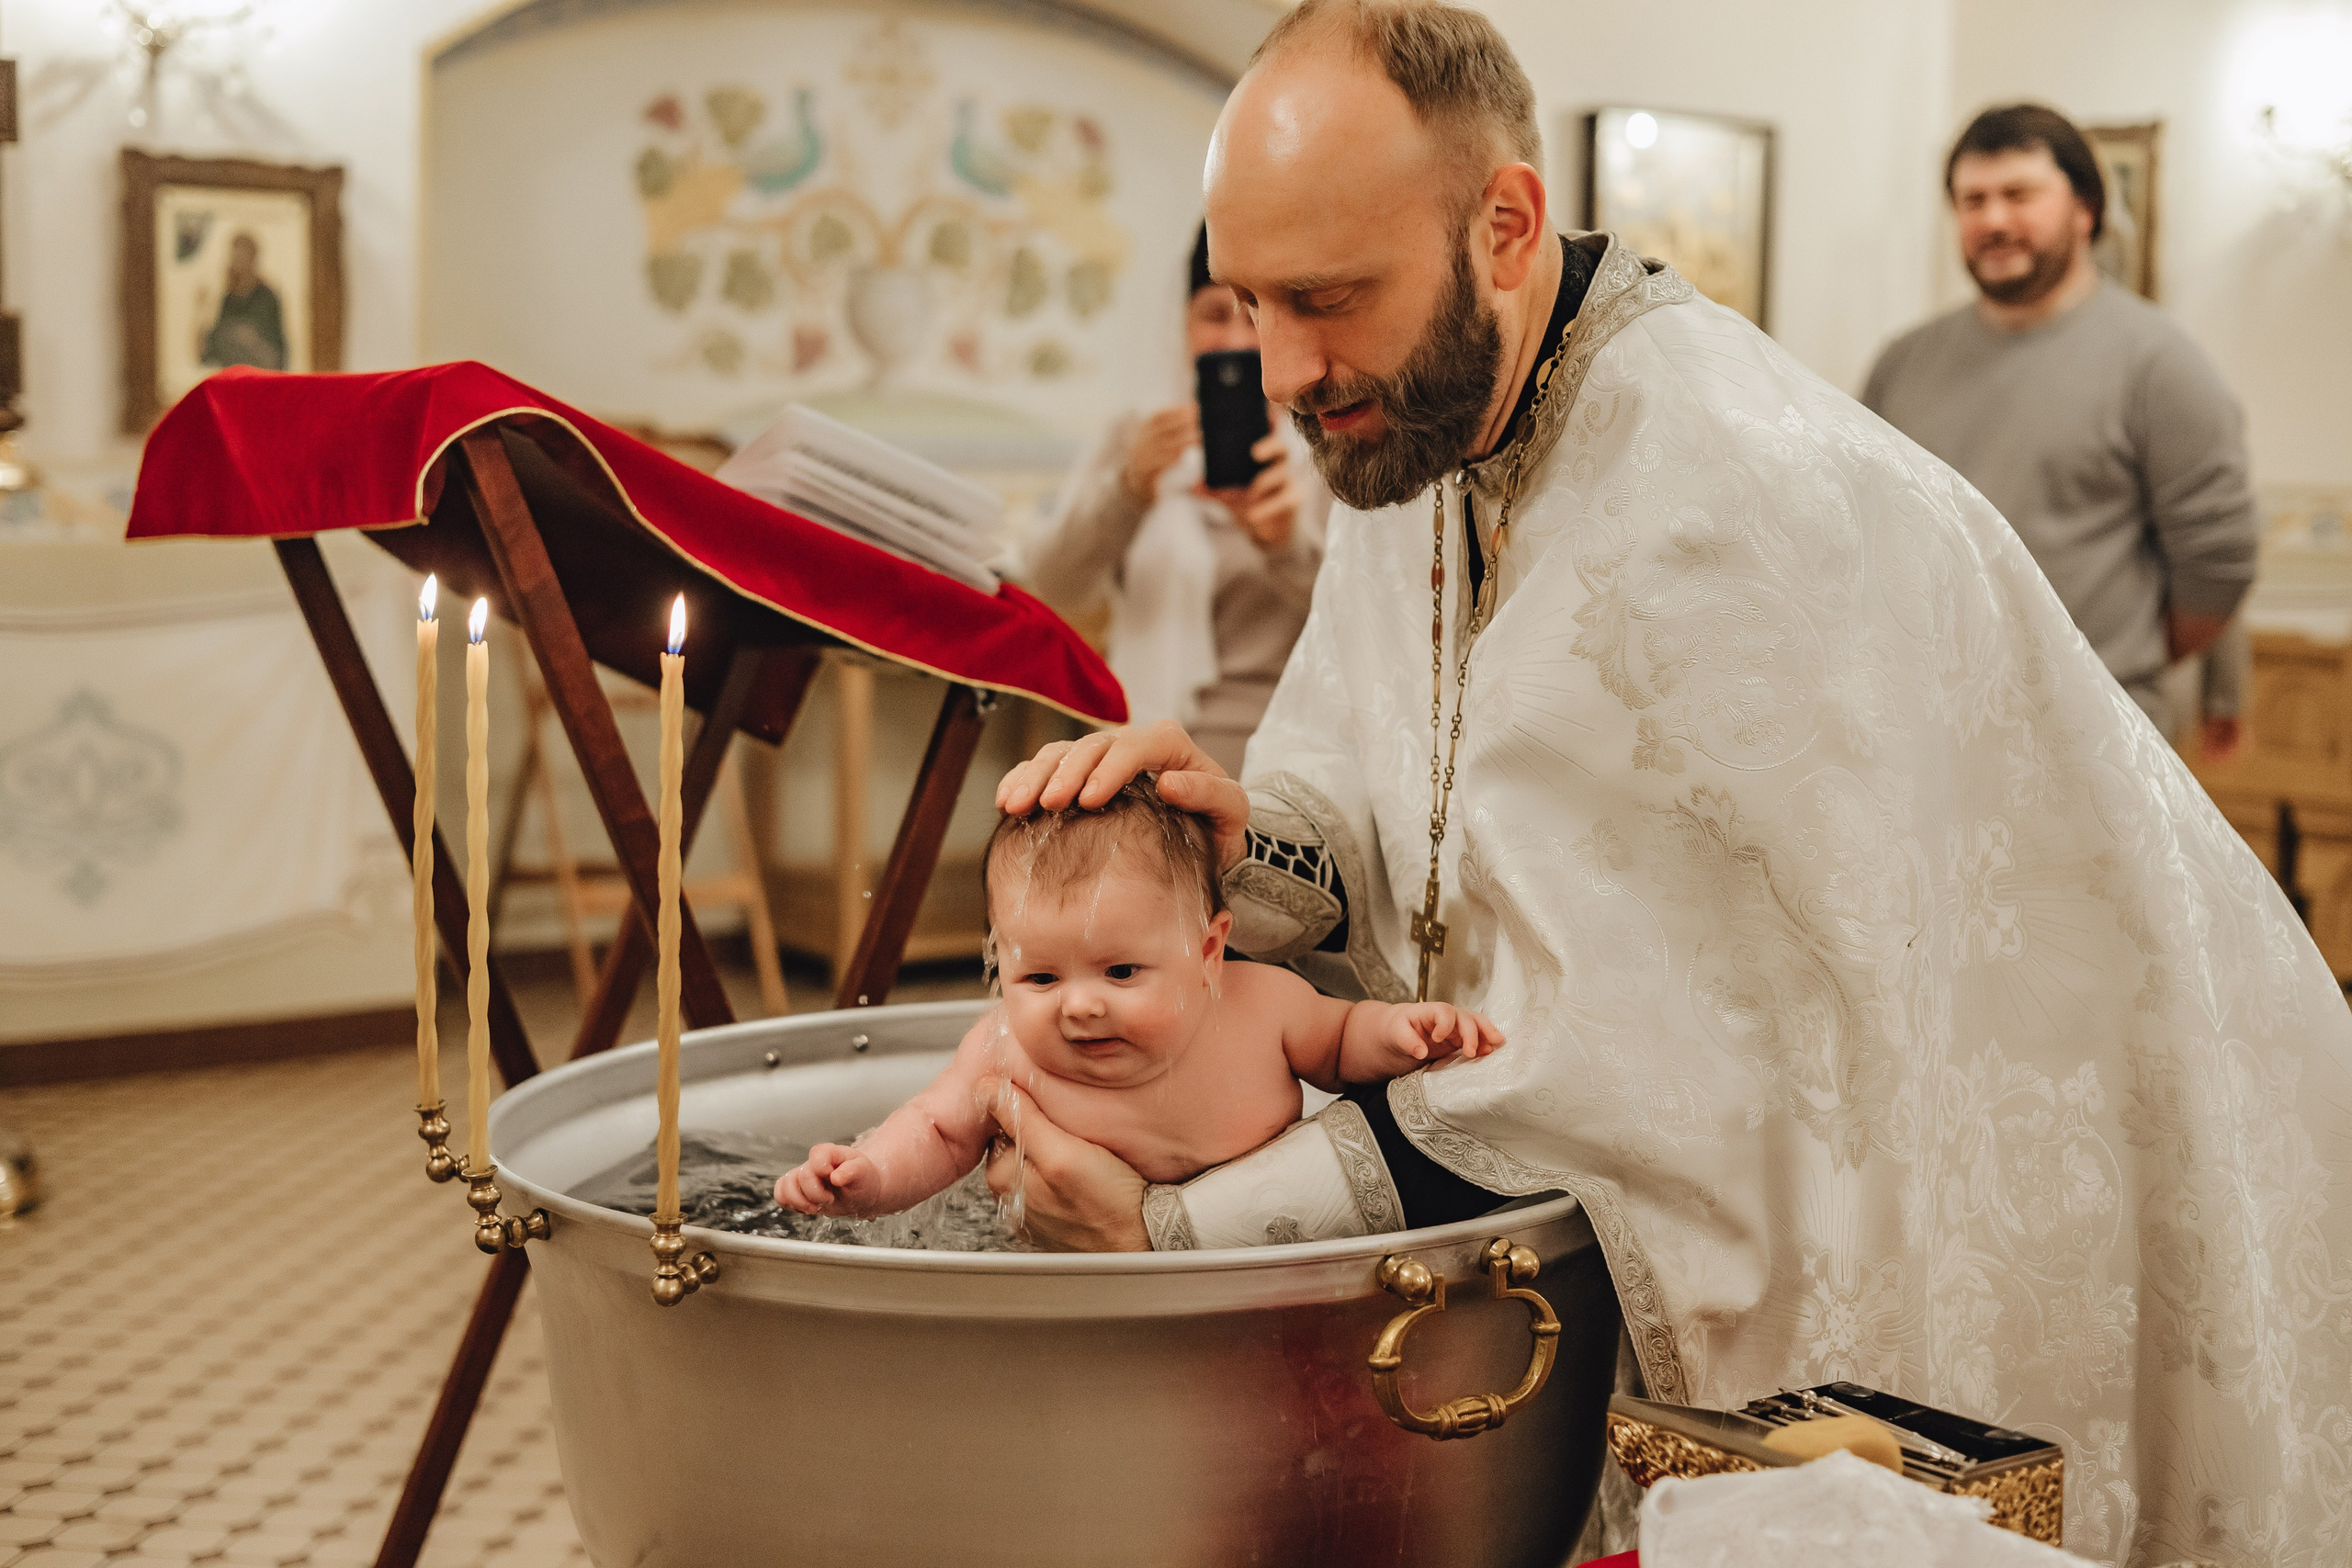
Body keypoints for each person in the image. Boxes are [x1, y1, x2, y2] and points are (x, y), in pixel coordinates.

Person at [980, 4, 2352, 1563]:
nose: (1285, 368)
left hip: (1966, 1196)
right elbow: (1399, 819)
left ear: (1505, 226)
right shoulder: (1416, 419)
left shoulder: (1729, 502)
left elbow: (1649, 1073)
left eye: (1326, 298)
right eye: (1246, 301)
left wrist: (1182, 1227)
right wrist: (1231, 849)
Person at [774, 780, 1499, 1219]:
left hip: (1247, 1255)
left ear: (1209, 950)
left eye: (1120, 971)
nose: (1078, 1006)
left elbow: (1340, 1044)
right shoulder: (1003, 1048)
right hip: (1079, 1276)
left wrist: (1399, 1031)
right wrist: (870, 1175)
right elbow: (935, 1130)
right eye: (1040, 978)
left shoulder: (1262, 1005)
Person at [1863, 106, 2257, 736]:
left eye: (2019, 195)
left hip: (2098, 733)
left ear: (2085, 209)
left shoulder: (2161, 364)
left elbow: (2218, 567)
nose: (1994, 220)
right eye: (1973, 201)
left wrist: (2107, 662)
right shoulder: (1902, 362)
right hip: (1927, 723)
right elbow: (1865, 527)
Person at [1017, 227, 1330, 776]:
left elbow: (1359, 626)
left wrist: (1285, 546)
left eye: (1254, 317)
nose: (1235, 340)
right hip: (1137, 748)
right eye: (1214, 314)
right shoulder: (1136, 438)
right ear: (1182, 322)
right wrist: (1128, 490)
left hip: (1280, 752)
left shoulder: (1327, 452)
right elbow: (1050, 586)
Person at [198, 232, 288, 371]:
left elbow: (272, 347)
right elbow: (210, 350)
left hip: (262, 372)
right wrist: (202, 310)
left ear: (252, 259)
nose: (236, 262)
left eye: (241, 257)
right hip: (236, 374)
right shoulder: (229, 299)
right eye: (234, 257)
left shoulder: (266, 296)